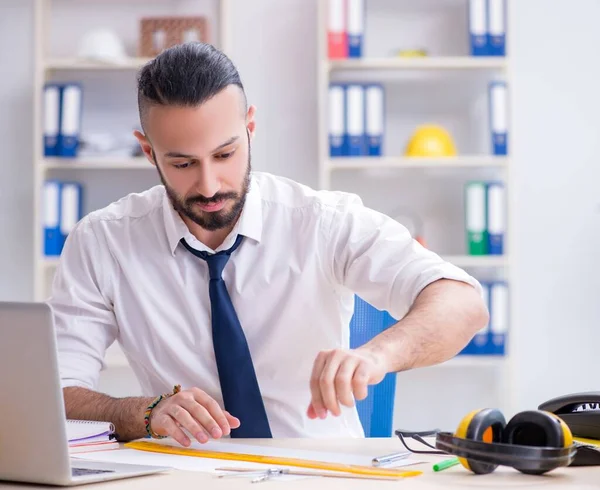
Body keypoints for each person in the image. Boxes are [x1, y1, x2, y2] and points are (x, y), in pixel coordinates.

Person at [48, 42, 488, 446]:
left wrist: (377, 355)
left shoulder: (321, 220)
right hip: (185, 474)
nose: (208, 184)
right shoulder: (102, 242)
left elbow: (463, 304)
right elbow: (55, 394)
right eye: (182, 163)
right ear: (148, 152)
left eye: (224, 154)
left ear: (250, 127)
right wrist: (140, 413)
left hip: (320, 472)